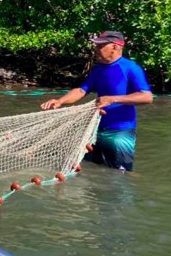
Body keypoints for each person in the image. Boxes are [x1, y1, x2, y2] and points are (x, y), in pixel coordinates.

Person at [41, 30, 153, 171]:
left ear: (115, 47)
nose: (95, 50)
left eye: (100, 46)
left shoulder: (131, 68)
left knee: (120, 174)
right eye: (96, 46)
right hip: (95, 130)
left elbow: (147, 97)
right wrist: (60, 101)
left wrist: (113, 99)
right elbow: (82, 90)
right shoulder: (99, 70)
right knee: (90, 168)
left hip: (120, 132)